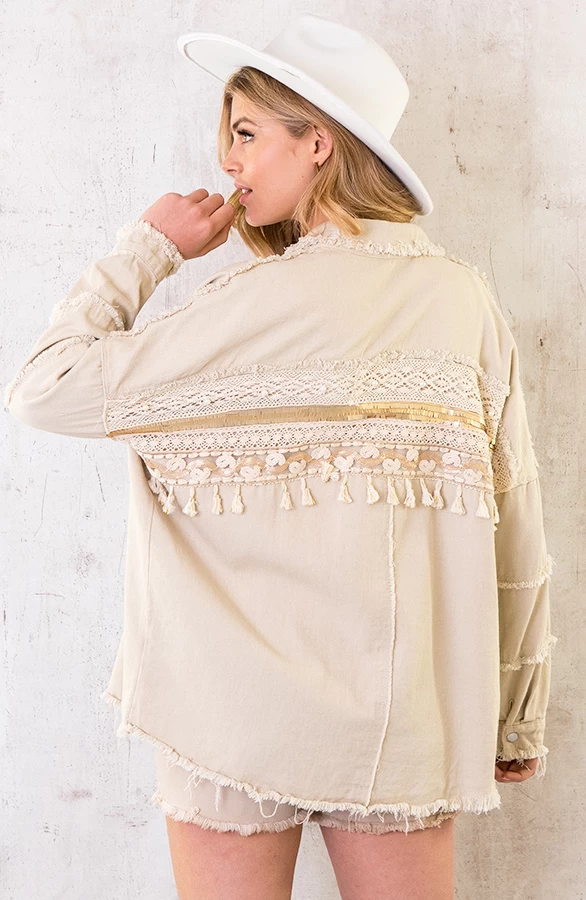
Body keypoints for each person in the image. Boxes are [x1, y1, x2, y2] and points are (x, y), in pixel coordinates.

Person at [4, 14, 556, 900]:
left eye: (247, 133)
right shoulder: (462, 303)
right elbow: (515, 522)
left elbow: (44, 385)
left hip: (226, 718)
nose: (228, 160)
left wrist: (150, 248)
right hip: (403, 718)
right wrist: (517, 714)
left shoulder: (238, 310)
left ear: (318, 144)